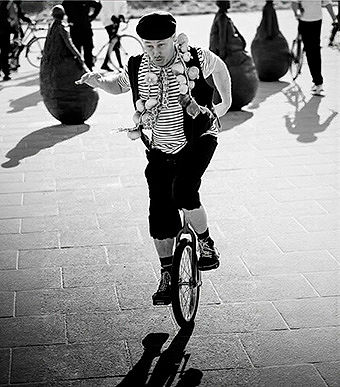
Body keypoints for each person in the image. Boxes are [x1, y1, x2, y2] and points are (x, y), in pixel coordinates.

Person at [76, 12, 232, 306]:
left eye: (161, 44)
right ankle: (167, 274)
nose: (155, 52)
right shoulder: (136, 65)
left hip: (198, 138)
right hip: (159, 148)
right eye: (149, 45)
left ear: (174, 39)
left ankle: (206, 244)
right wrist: (97, 80)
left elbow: (221, 67)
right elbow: (116, 84)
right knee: (160, 214)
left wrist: (226, 101)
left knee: (184, 190)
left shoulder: (195, 57)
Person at [291, 0, 337, 95]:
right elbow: (327, 4)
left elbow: (294, 4)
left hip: (305, 21)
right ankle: (318, 82)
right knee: (315, 50)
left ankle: (318, 82)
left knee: (310, 51)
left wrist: (298, 15)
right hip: (317, 21)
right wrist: (334, 18)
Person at [62, 0, 102, 70]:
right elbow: (98, 5)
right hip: (81, 28)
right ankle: (85, 71)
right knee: (82, 51)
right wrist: (92, 17)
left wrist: (92, 16)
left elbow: (98, 6)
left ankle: (83, 70)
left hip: (80, 28)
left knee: (82, 52)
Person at [0, 0, 31, 80]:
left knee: (16, 47)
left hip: (11, 30)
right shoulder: (6, 3)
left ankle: (10, 66)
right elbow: (4, 16)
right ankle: (6, 71)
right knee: (5, 51)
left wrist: (28, 20)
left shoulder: (14, 4)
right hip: (4, 30)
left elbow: (19, 15)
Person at [100, 0, 128, 71]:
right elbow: (105, 6)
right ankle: (120, 65)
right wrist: (111, 16)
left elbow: (123, 5)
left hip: (117, 20)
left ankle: (106, 63)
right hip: (108, 21)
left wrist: (122, 15)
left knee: (114, 42)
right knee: (115, 42)